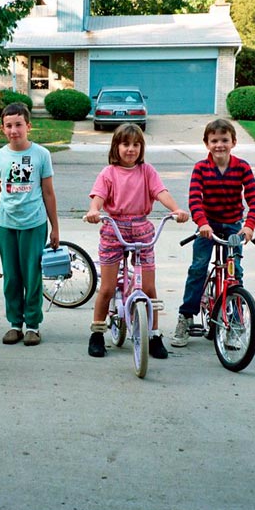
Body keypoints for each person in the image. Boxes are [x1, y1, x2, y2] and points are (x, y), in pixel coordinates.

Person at [84, 123, 189, 359]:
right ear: (116, 147)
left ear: (141, 148)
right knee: (108, 287)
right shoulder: (109, 173)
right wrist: (93, 210)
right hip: (114, 227)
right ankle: (98, 332)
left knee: (149, 287)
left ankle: (153, 334)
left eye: (136, 144)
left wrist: (176, 210)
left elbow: (160, 192)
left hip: (142, 228)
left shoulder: (147, 171)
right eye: (125, 144)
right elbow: (98, 197)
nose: (131, 149)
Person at [171, 118, 255, 348]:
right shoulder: (201, 168)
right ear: (206, 143)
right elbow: (195, 200)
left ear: (233, 142)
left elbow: (254, 198)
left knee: (235, 274)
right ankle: (186, 316)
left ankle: (234, 322)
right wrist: (202, 223)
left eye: (224, 140)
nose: (219, 145)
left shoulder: (242, 167)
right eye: (214, 140)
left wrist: (249, 225)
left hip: (233, 224)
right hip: (208, 225)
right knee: (198, 268)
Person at [0, 102, 59, 346]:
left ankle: (33, 325)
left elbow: (48, 192)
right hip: (6, 224)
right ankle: (15, 323)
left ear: (28, 126)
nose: (14, 130)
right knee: (12, 277)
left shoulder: (41, 155)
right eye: (9, 126)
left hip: (33, 224)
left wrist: (55, 226)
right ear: (3, 129)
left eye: (19, 125)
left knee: (31, 276)